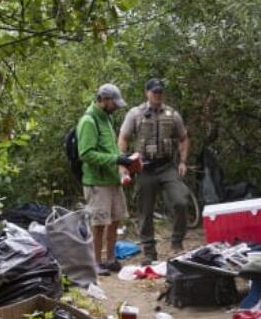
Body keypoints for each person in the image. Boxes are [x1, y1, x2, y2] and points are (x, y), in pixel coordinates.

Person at [119, 78, 190, 262]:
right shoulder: (135, 114)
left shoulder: (172, 114)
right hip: (144, 168)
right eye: (154, 92)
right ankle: (150, 252)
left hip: (166, 166)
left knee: (181, 201)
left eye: (160, 92)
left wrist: (183, 161)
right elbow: (124, 138)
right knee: (145, 211)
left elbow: (183, 138)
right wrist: (124, 163)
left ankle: (177, 244)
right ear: (147, 92)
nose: (157, 95)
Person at [77, 83, 138, 273]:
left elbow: (110, 148)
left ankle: (110, 259)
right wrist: (115, 158)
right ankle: (95, 262)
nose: (117, 107)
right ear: (103, 99)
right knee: (99, 223)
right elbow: (85, 154)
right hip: (97, 182)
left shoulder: (106, 119)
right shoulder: (89, 121)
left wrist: (124, 163)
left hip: (112, 179)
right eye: (114, 103)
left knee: (115, 220)